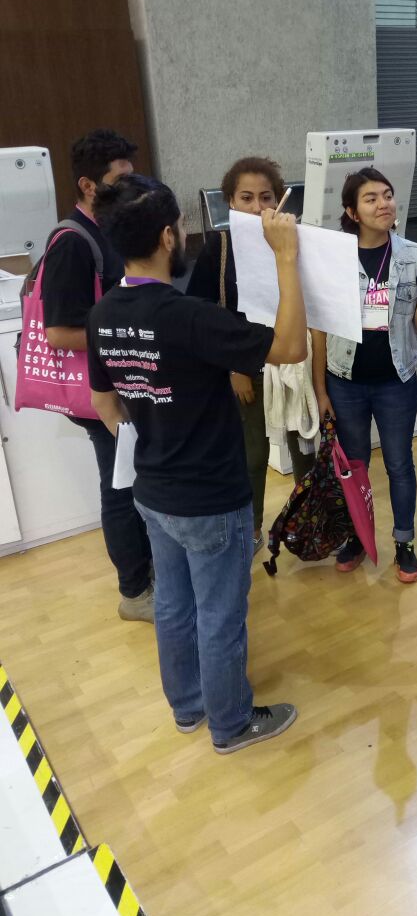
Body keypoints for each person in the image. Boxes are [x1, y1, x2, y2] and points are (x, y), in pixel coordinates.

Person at [87, 174, 306, 754]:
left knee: (172, 605)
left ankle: (188, 709)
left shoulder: (102, 313)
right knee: (220, 615)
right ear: (167, 236)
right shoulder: (188, 316)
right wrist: (286, 257)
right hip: (209, 496)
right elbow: (290, 347)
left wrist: (151, 437)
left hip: (152, 492)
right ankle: (231, 724)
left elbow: (104, 403)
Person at [41, 128, 154, 623]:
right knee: (121, 489)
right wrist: (125, 333)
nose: (128, 187)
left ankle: (148, 575)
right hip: (101, 391)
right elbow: (58, 333)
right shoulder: (72, 242)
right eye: (118, 180)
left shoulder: (109, 230)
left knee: (136, 484)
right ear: (88, 185)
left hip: (123, 381)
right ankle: (135, 592)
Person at [311, 167, 417, 583]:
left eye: (387, 195)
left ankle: (404, 542)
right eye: (371, 198)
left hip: (395, 382)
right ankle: (355, 537)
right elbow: (319, 328)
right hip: (344, 380)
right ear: (352, 211)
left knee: (400, 464)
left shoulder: (413, 254)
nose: (384, 203)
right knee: (354, 465)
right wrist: (320, 389)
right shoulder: (334, 256)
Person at [187, 157, 315, 553]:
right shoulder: (218, 248)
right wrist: (233, 368)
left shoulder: (293, 242)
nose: (258, 206)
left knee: (304, 449)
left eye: (266, 197)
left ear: (279, 200)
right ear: (230, 201)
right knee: (252, 456)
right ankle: (252, 528)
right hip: (246, 368)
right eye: (246, 197)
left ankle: (308, 523)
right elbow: (200, 317)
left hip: (293, 363)